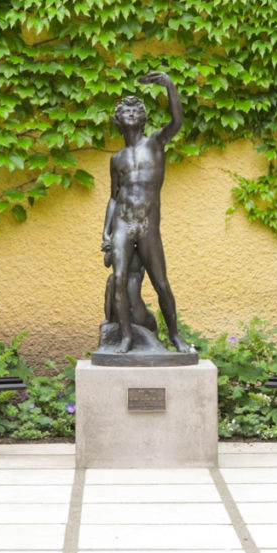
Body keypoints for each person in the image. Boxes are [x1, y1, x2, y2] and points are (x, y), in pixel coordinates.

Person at [98, 71, 188, 359]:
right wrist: (106, 232)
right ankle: (125, 337)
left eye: (137, 109)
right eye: (126, 110)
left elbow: (177, 120)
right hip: (123, 222)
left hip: (148, 224)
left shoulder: (155, 144)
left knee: (161, 282)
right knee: (120, 278)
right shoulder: (117, 159)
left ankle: (174, 335)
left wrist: (170, 86)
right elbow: (114, 196)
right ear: (117, 120)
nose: (132, 113)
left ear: (144, 118)